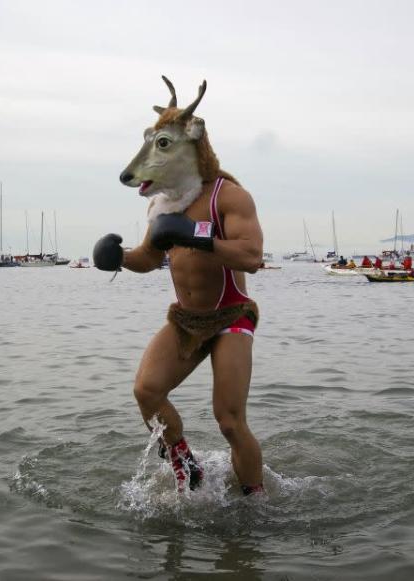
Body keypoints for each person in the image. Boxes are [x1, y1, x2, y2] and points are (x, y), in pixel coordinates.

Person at [93, 76, 264, 496]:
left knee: (228, 420)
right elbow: (149, 258)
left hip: (232, 316)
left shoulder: (230, 196)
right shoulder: (162, 206)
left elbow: (252, 257)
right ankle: (185, 462)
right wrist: (118, 258)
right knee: (146, 390)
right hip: (187, 318)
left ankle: (256, 502)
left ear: (192, 141)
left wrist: (197, 236)